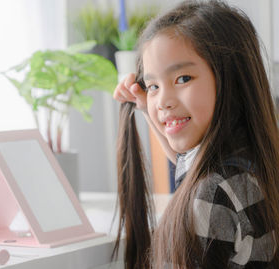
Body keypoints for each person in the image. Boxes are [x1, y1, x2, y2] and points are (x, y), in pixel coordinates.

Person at [112, 1, 279, 268]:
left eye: (183, 79)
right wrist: (145, 107)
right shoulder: (251, 165)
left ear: (229, 79)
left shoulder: (213, 192)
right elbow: (189, 165)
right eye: (153, 85)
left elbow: (198, 178)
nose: (163, 100)